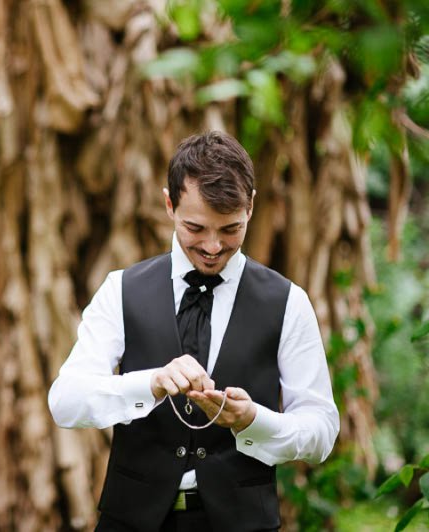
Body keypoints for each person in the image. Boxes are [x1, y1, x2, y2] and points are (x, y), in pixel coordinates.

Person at [48, 131, 340, 531]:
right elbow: (65, 401)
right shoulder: (121, 289)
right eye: (196, 228)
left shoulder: (288, 302)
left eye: (230, 229)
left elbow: (322, 429)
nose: (213, 246)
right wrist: (149, 383)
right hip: (131, 521)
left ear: (251, 206)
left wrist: (253, 419)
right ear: (169, 204)